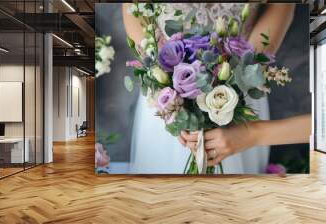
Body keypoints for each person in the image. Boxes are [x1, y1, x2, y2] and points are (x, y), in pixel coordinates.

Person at [123, 3, 311, 173]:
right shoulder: (167, 86)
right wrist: (164, 75)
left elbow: (280, 6)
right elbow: (132, 7)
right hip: (168, 92)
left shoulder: (240, 79)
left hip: (235, 90)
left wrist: (242, 75)